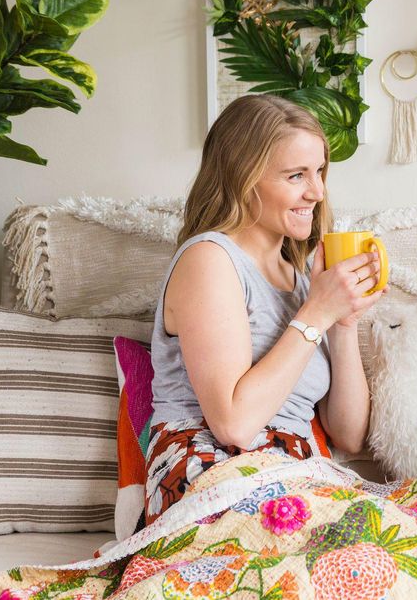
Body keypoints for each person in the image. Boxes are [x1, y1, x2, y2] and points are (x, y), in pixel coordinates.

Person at [144, 94, 384, 525]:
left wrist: (341, 321)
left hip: (293, 470)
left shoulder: (300, 277)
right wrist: (315, 315)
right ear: (243, 178)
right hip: (207, 469)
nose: (317, 192)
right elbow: (234, 425)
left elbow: (348, 435)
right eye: (296, 176)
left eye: (320, 172)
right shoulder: (210, 260)